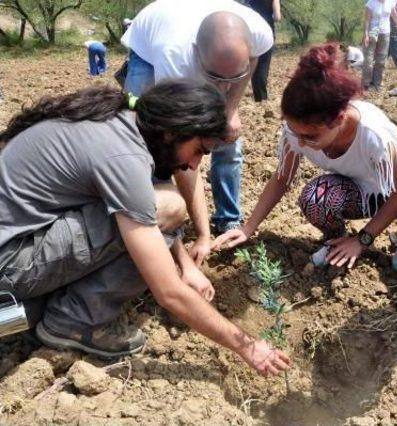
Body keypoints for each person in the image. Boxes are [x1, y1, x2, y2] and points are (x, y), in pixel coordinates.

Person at [0, 80, 290, 376]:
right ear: (173, 131)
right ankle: (76, 320)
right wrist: (247, 346)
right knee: (169, 205)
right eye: (198, 150)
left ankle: (28, 312)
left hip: (17, 247)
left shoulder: (121, 120)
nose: (193, 164)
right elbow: (168, 291)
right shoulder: (124, 157)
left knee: (159, 204)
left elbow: (143, 210)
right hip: (11, 263)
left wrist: (185, 264)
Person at [212, 43, 397, 271]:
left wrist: (363, 239)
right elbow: (281, 179)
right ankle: (336, 242)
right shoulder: (298, 130)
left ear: (338, 119)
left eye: (310, 137)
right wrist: (248, 228)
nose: (301, 142)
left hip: (394, 191)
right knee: (316, 198)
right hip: (355, 194)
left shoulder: (372, 135)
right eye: (295, 132)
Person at [121, 0, 274, 242]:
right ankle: (153, 219)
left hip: (208, 44)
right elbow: (184, 155)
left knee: (228, 138)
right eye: (215, 77)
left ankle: (228, 219)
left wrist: (231, 108)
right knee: (148, 140)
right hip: (147, 51)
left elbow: (253, 59)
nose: (224, 86)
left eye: (233, 77)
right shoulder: (174, 57)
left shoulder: (259, 32)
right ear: (195, 53)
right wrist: (202, 235)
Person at [362, 0, 397, 92]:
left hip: (385, 32)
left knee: (381, 60)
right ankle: (366, 84)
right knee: (368, 59)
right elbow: (367, 20)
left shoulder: (390, 2)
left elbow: (395, 17)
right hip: (373, 31)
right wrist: (366, 35)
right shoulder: (371, 3)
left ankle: (377, 84)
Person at [246, 0, 281, 102]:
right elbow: (277, 17)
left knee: (253, 62)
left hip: (250, 30)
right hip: (266, 30)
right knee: (263, 65)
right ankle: (261, 97)